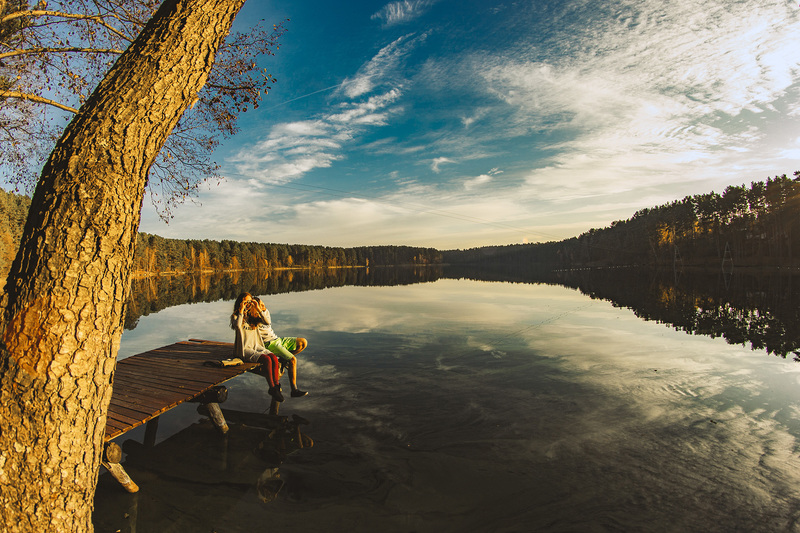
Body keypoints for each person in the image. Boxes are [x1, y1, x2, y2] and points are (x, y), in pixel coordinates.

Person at [230, 292, 307, 402]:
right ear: (240, 303)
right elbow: (237, 326)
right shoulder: (236, 316)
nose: (248, 304)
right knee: (267, 360)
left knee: (273, 358)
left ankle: (276, 386)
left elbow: (267, 321)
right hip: (244, 349)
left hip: (257, 346)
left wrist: (258, 308)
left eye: (249, 302)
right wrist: (241, 310)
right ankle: (272, 388)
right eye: (245, 302)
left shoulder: (252, 317)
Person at [251, 296, 308, 398]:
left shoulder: (266, 312)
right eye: (260, 305)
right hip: (269, 344)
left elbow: (267, 321)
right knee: (293, 360)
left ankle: (283, 360)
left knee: (303, 342)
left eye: (263, 303)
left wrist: (261, 309)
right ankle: (294, 389)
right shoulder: (253, 318)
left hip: (277, 340)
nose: (263, 305)